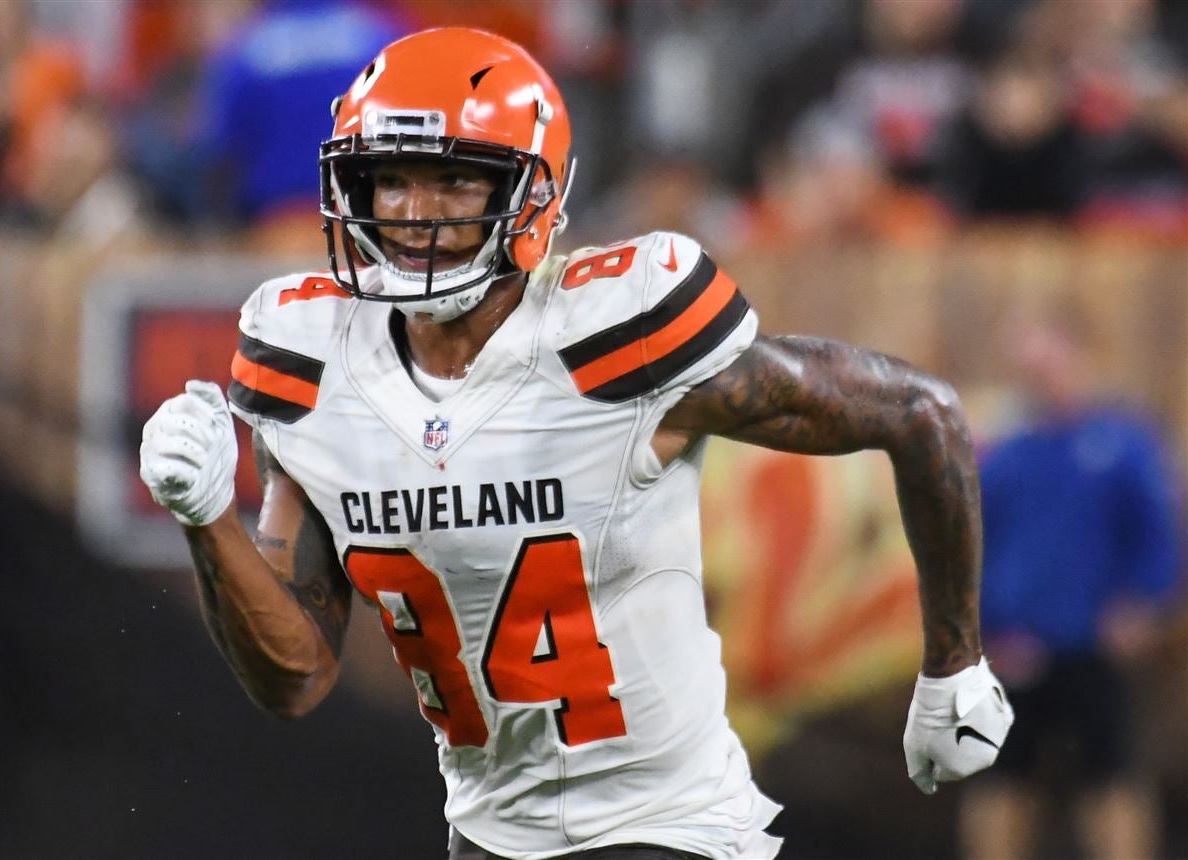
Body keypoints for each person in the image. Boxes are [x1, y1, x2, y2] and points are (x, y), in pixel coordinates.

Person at [138, 28, 1013, 860]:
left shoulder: (615, 333)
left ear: (532, 193)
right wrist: (207, 516)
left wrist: (953, 664)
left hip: (669, 827)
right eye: (390, 181)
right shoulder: (310, 363)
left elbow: (918, 411)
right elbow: (295, 677)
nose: (414, 214)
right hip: (486, 832)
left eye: (453, 182)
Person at [960, 308, 1183, 860]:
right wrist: (984, 630)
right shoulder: (1005, 454)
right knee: (1001, 780)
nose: (1041, 375)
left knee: (1112, 776)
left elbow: (1159, 537)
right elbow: (972, 550)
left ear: (1079, 358)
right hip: (1016, 649)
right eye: (1029, 366)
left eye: (1050, 362)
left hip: (1094, 644)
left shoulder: (1123, 444)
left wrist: (1144, 606)